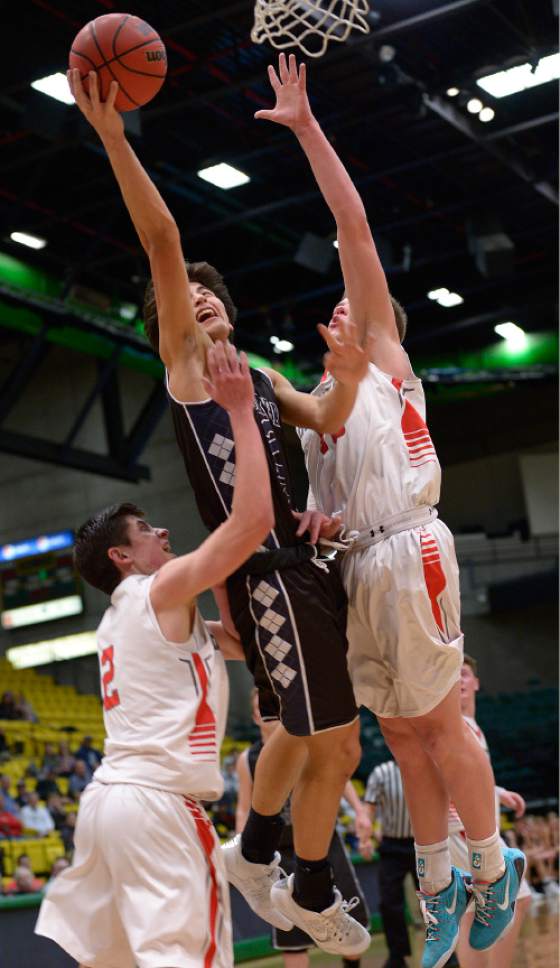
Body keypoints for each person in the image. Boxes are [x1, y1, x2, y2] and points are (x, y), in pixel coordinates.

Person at [68, 66, 372, 957]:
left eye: (212, 292)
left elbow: (329, 417)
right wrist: (117, 139)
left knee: (293, 730)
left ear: (231, 311)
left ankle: (261, 850)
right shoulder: (193, 370)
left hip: (298, 563)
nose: (198, 295)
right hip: (269, 573)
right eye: (186, 295)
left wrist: (347, 373)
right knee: (337, 746)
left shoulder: (264, 376)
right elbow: (163, 241)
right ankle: (297, 879)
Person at [256, 53, 526, 968]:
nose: (342, 307)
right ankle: (443, 885)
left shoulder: (387, 368)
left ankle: (496, 866)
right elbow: (316, 496)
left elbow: (353, 227)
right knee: (404, 735)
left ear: (381, 329)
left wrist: (303, 128)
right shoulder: (320, 413)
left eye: (357, 306)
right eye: (334, 305)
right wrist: (322, 524)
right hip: (357, 567)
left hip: (413, 549)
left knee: (441, 725)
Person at [35, 339, 275, 968]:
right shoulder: (154, 590)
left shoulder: (136, 616)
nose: (164, 532)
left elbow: (249, 647)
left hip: (110, 806)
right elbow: (249, 524)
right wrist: (243, 413)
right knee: (187, 958)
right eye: (147, 531)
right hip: (159, 805)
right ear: (121, 557)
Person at [236, 690, 371, 968]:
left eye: (274, 705)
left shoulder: (305, 743)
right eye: (263, 708)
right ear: (254, 717)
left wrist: (359, 811)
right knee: (292, 939)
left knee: (350, 923)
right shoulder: (247, 759)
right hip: (280, 852)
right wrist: (243, 850)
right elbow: (243, 808)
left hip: (323, 843)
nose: (270, 713)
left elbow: (337, 778)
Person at [450, 656, 531, 968]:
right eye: (452, 674)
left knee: (471, 914)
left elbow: (469, 778)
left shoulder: (471, 727)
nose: (459, 680)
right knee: (517, 899)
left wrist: (498, 792)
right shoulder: (453, 726)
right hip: (464, 830)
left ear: (476, 683)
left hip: (465, 831)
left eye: (465, 673)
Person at [361, 759, 422, 968]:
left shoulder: (426, 766)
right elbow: (368, 810)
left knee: (434, 900)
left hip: (422, 843)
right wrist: (365, 839)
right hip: (391, 846)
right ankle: (397, 956)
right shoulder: (381, 772)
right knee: (389, 903)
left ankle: (445, 950)